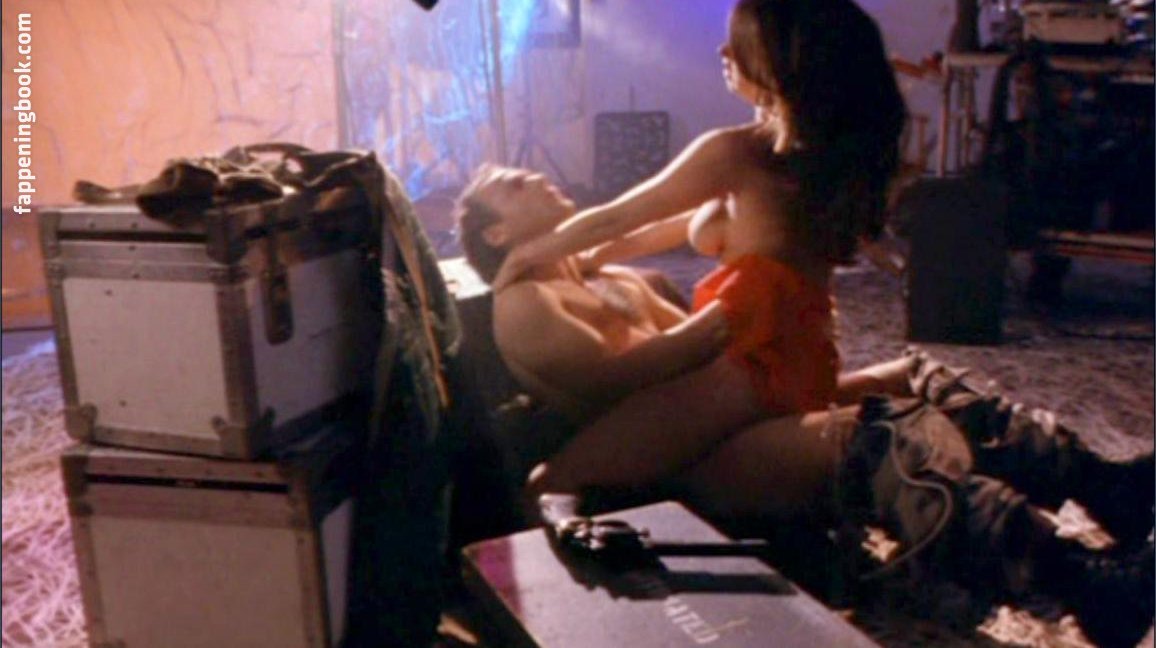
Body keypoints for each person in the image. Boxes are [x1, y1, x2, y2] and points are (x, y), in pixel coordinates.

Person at [455, 164, 1155, 648]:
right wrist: (733, 315)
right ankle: (1083, 584)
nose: (535, 177)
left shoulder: (599, 272)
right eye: (513, 186)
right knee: (878, 439)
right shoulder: (528, 304)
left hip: (731, 412)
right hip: (683, 462)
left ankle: (1104, 487)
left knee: (914, 378)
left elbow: (681, 216)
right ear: (495, 235)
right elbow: (620, 387)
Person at [487, 0, 909, 498]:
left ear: (777, 63)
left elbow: (619, 215)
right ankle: (919, 392)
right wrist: (598, 257)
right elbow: (683, 225)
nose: (722, 52)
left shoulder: (736, 152)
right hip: (806, 355)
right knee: (696, 471)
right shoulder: (809, 158)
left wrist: (529, 254)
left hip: (750, 366)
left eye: (739, 45)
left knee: (555, 482)